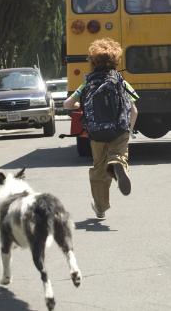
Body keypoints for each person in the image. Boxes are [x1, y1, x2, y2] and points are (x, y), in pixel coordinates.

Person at [62, 38, 139, 220]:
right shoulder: (120, 81)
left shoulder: (87, 83)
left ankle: (100, 207)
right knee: (119, 155)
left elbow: (67, 104)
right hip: (119, 129)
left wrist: (80, 104)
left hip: (97, 133)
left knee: (98, 170)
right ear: (116, 61)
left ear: (92, 61)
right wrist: (129, 130)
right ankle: (118, 163)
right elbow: (134, 109)